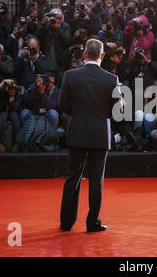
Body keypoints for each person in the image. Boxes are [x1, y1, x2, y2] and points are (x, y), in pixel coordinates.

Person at [58, 39, 122, 233]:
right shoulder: (111, 79)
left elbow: (63, 107)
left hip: (77, 132)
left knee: (72, 178)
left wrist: (79, 115)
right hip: (100, 134)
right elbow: (117, 111)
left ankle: (67, 223)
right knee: (96, 180)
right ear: (102, 55)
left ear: (85, 54)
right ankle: (92, 222)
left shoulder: (70, 75)